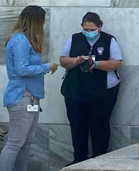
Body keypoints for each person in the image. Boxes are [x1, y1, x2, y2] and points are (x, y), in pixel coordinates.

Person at [59, 12, 124, 165]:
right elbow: (63, 60)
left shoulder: (109, 40)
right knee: (77, 126)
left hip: (102, 92)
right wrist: (77, 60)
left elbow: (117, 63)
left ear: (99, 26)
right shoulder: (74, 38)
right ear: (81, 26)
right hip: (75, 91)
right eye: (86, 29)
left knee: (99, 126)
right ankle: (79, 160)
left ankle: (100, 161)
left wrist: (95, 64)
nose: (89, 32)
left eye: (92, 29)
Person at [0, 5, 59, 171]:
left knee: (25, 143)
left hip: (30, 96)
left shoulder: (25, 40)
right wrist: (47, 67)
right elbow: (22, 69)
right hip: (21, 96)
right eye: (42, 21)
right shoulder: (20, 41)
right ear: (35, 22)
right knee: (15, 143)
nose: (44, 25)